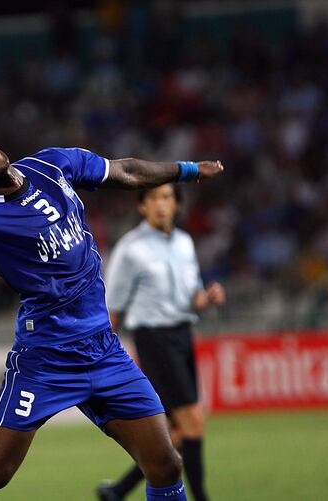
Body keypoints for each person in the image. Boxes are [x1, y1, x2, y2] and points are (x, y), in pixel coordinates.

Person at [0, 134, 224, 501]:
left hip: (104, 351)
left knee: (165, 464)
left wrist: (188, 170)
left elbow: (127, 171)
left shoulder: (51, 164)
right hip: (46, 360)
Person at [96, 184, 225, 501]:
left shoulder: (184, 243)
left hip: (182, 336)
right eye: (153, 198)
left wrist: (206, 299)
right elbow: (114, 308)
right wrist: (98, 352)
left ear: (177, 204)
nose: (161, 204)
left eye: (167, 197)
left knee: (177, 434)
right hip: (154, 339)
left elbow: (191, 295)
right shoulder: (130, 248)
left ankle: (117, 491)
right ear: (142, 206)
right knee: (193, 421)